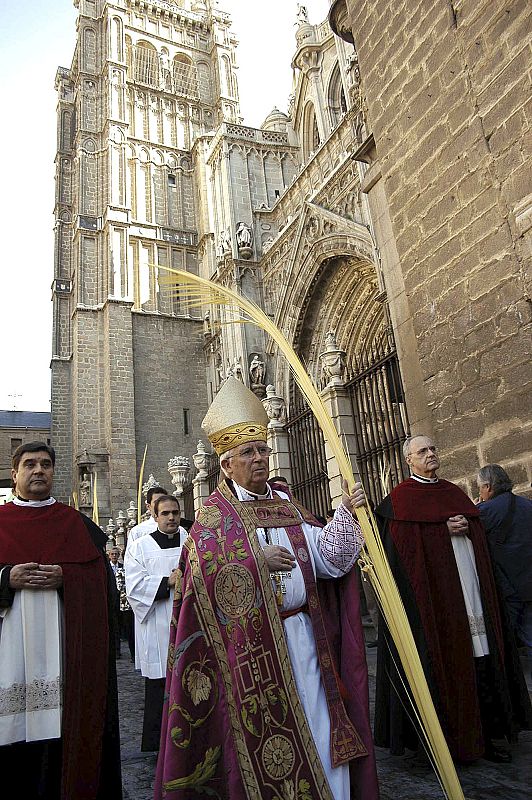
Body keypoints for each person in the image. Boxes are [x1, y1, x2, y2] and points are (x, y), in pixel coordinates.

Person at [155, 377, 378, 800]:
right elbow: (197, 581)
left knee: (319, 724)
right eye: (248, 452)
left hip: (305, 642)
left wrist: (345, 515)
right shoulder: (214, 519)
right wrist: (253, 562)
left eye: (262, 450)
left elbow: (327, 561)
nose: (259, 458)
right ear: (226, 464)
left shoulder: (287, 504)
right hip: (248, 653)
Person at [374, 435, 531, 764]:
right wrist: (441, 531)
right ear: (409, 461)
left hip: (470, 593)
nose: (430, 454)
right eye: (422, 451)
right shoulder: (400, 500)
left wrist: (467, 527)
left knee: (480, 658)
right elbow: (401, 551)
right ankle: (444, 743)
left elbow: (478, 532)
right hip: (435, 603)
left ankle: (485, 737)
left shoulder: (453, 492)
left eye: (433, 448)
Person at [0, 442, 122, 799]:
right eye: (29, 464)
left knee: (61, 737)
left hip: (66, 656)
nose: (38, 470)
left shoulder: (76, 525)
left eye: (46, 464)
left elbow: (105, 586)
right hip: (8, 656)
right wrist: (6, 578)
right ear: (14, 473)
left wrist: (68, 578)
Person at [125, 495, 186, 752]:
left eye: (175, 512)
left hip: (188, 620)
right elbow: (134, 587)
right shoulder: (140, 547)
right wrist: (166, 582)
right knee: (160, 684)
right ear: (155, 516)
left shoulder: (191, 541)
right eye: (166, 513)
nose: (171, 518)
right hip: (157, 623)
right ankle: (158, 743)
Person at [477, 464, 532, 667]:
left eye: (480, 488)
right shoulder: (527, 505)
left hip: (508, 587)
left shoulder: (484, 511)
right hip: (528, 583)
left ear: (488, 487)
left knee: (504, 640)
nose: (480, 493)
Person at [125, 486, 169, 671]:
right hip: (155, 608)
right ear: (149, 506)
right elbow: (132, 570)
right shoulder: (139, 533)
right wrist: (165, 583)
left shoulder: (184, 533)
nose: (169, 516)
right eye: (157, 504)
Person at [109, 547, 135, 662]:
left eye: (116, 554)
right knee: (117, 628)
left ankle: (133, 653)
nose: (114, 556)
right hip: (117, 601)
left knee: (128, 628)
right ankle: (118, 651)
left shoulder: (122, 568)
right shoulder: (110, 568)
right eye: (112, 554)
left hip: (125, 602)